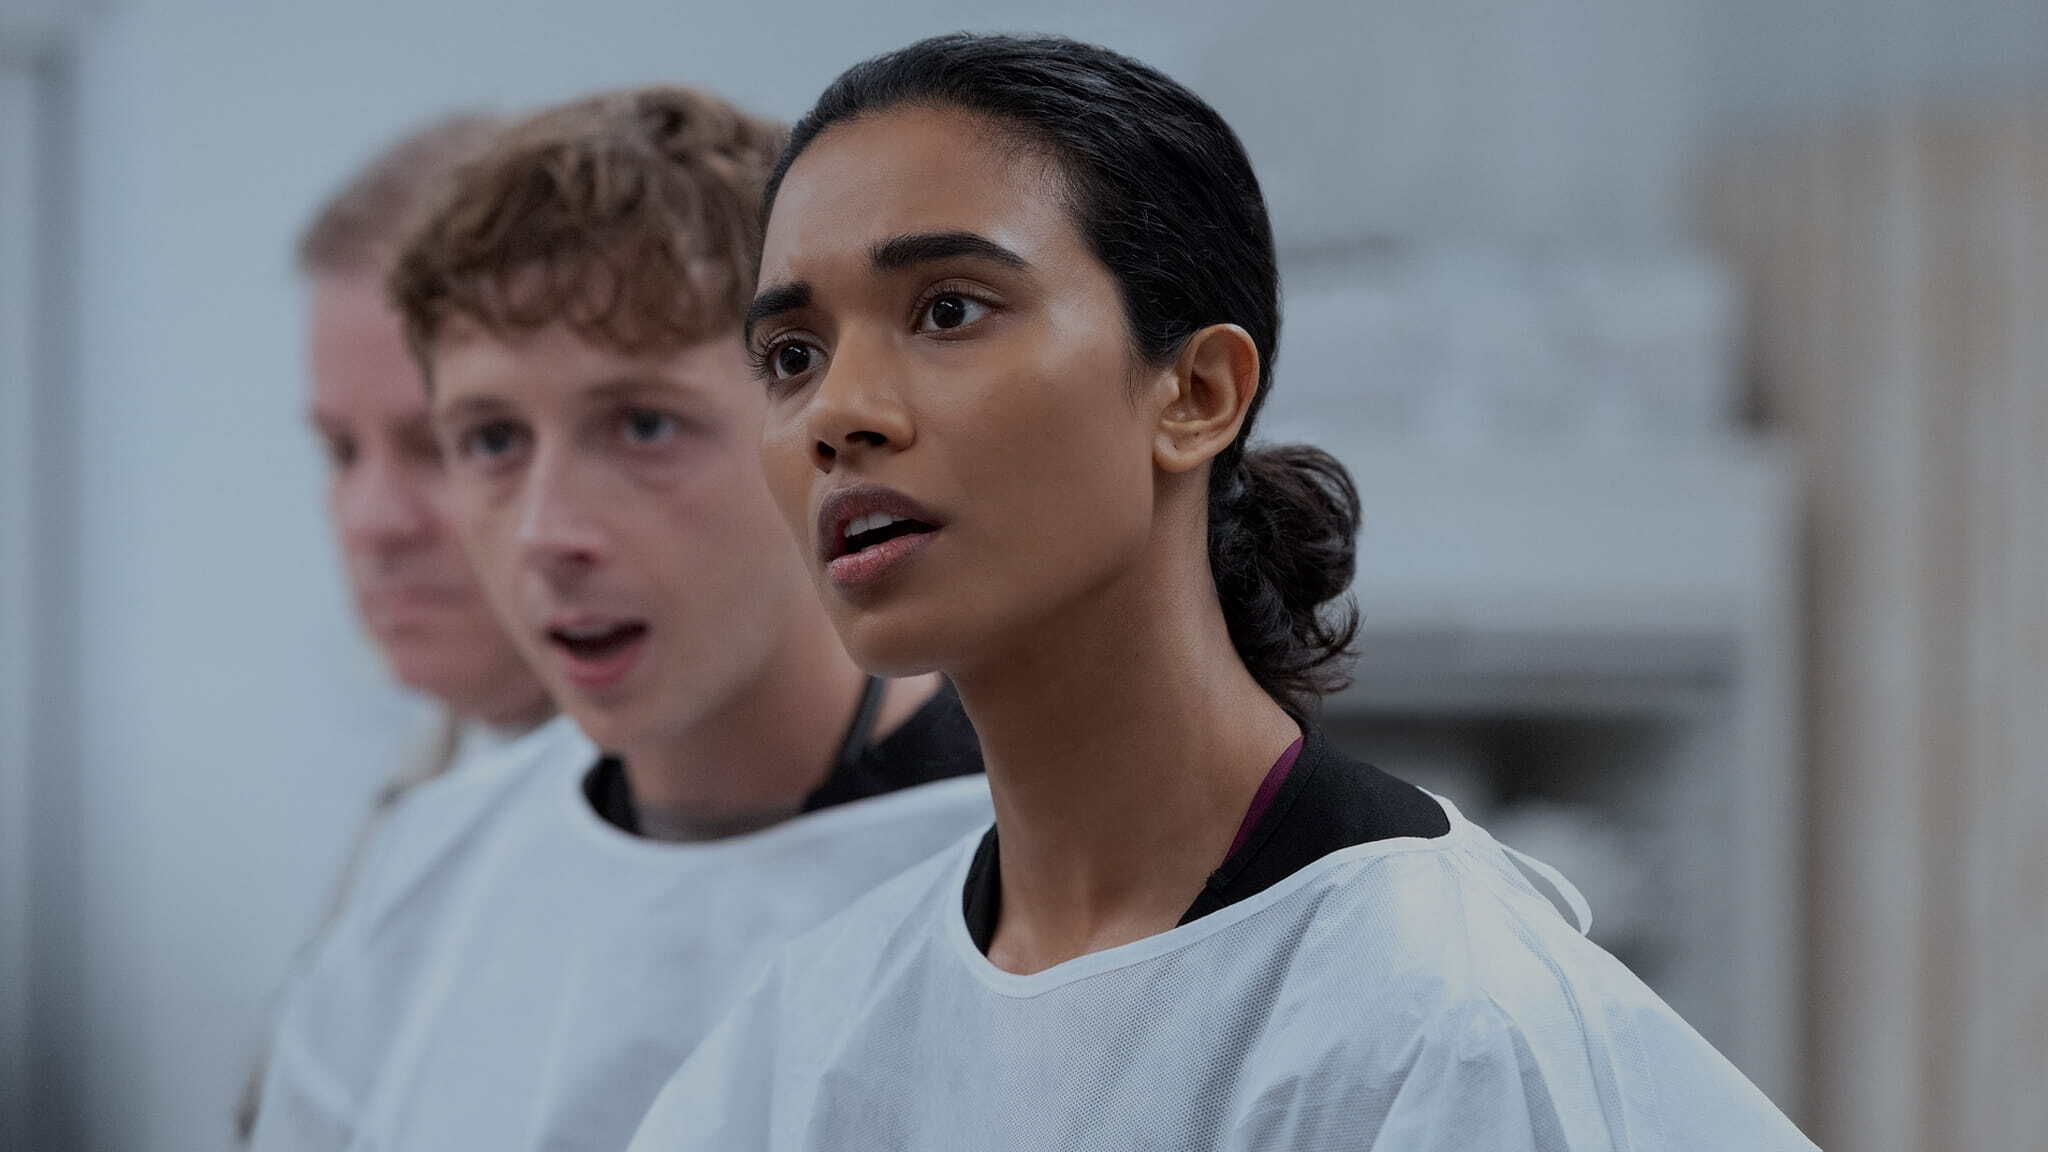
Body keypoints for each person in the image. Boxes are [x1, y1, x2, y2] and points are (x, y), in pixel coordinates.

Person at [630, 34, 1818, 1151]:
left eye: (948, 310)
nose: (838, 412)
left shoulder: (1434, 1018)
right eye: (791, 355)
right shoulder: (815, 1032)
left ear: (1196, 391)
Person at [248, 86, 989, 1152]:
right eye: (492, 439)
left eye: (644, 426)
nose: (548, 531)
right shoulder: (432, 873)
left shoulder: (1032, 894)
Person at [237, 111, 567, 1144]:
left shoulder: (732, 819)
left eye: (443, 444)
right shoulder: (427, 784)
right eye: (340, 451)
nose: (373, 520)